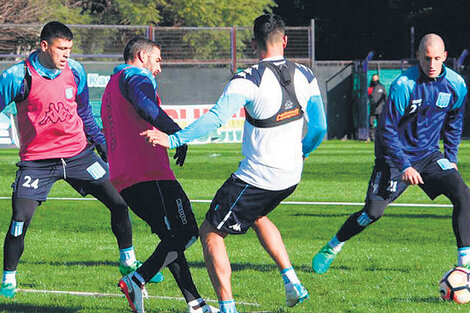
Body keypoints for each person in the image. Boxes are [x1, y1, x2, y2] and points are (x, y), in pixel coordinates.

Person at [141, 14, 327, 313]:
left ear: (254, 43)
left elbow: (215, 119)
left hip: (257, 178)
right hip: (290, 177)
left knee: (210, 232)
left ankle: (227, 309)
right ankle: (292, 282)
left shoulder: (248, 78)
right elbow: (319, 128)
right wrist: (301, 153)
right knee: (256, 216)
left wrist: (172, 140)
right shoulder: (306, 74)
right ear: (285, 40)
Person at [0, 21, 150, 298]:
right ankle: (8, 278)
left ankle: (127, 261)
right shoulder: (17, 75)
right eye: (61, 48)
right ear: (44, 46)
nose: (67, 54)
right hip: (37, 161)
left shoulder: (76, 71)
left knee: (119, 201)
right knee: (20, 219)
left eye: (70, 48)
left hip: (79, 155)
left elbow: (84, 114)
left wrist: (103, 145)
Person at [312, 33, 469, 275]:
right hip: (393, 160)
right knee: (372, 213)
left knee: (463, 194)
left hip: (429, 156)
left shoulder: (456, 84)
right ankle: (333, 246)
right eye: (427, 58)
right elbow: (386, 130)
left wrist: (451, 158)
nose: (432, 64)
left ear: (445, 57)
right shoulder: (403, 85)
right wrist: (405, 166)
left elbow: (454, 123)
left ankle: (464, 263)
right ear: (418, 56)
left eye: (437, 58)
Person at [101, 37, 217, 313]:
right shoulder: (136, 76)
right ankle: (137, 279)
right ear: (142, 56)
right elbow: (146, 106)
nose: (159, 68)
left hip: (124, 176)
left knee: (171, 238)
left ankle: (196, 304)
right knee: (188, 231)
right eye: (158, 60)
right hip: (148, 172)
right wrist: (178, 134)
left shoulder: (112, 84)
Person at [368, 74, 386, 141]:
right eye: (373, 79)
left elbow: (385, 97)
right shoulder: (370, 88)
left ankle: (380, 137)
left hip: (380, 109)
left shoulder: (381, 87)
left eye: (376, 79)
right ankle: (372, 137)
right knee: (371, 123)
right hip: (372, 109)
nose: (374, 80)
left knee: (380, 124)